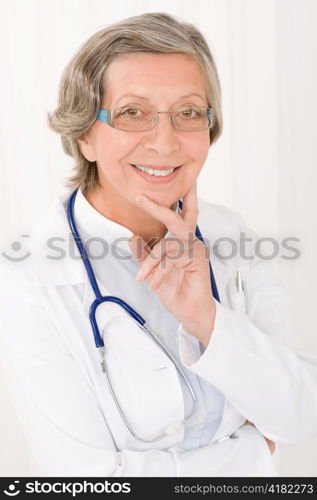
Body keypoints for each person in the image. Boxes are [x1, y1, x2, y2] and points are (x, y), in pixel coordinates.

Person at [0, 12, 316, 478]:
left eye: (189, 112)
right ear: (85, 134)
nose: (165, 142)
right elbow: (82, 479)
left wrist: (207, 319)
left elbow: (302, 415)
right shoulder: (29, 276)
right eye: (132, 113)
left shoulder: (232, 235)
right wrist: (253, 453)